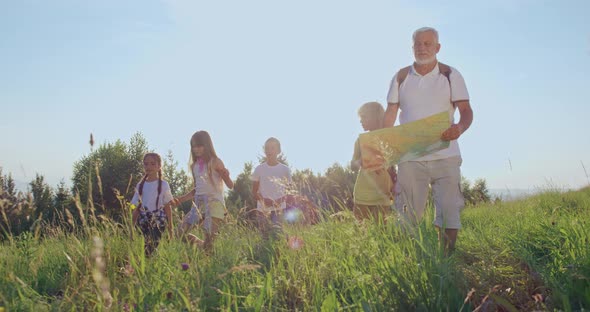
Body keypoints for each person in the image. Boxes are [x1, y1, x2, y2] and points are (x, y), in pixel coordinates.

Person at [384, 27, 473, 253]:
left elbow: (466, 111)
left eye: (427, 44)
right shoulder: (401, 76)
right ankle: (409, 261)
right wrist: (386, 149)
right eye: (418, 44)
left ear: (438, 47)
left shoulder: (451, 75)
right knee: (407, 215)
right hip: (410, 158)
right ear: (412, 47)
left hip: (447, 155)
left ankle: (447, 260)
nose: (422, 48)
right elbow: (390, 115)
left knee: (449, 211)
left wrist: (459, 128)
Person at [171, 131, 234, 250]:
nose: (196, 149)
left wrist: (226, 176)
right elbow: (197, 188)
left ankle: (206, 249)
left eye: (199, 146)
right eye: (193, 146)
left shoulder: (215, 161)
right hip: (198, 204)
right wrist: (181, 199)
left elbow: (230, 185)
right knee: (179, 233)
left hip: (215, 204)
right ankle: (201, 245)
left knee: (210, 239)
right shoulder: (194, 166)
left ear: (207, 145)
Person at [351, 102, 395, 222]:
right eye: (360, 118)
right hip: (363, 195)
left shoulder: (388, 139)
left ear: (376, 117)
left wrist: (394, 185)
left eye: (364, 117)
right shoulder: (360, 140)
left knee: (381, 233)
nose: (361, 121)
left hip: (383, 194)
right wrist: (361, 161)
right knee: (361, 232)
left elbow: (392, 166)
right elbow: (352, 165)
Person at [131, 152, 174, 256]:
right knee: (147, 244)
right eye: (146, 164)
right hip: (144, 220)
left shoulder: (163, 185)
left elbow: (168, 206)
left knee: (152, 243)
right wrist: (131, 227)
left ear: (159, 166)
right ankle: (149, 262)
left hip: (159, 219)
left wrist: (170, 228)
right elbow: (136, 208)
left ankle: (146, 260)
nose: (149, 166)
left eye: (152, 164)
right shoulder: (140, 185)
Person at [250, 137, 292, 236]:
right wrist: (264, 200)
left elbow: (289, 192)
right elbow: (254, 192)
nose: (269, 151)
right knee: (264, 237)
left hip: (279, 209)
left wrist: (278, 201)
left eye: (272, 148)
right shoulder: (259, 169)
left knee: (277, 237)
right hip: (262, 210)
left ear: (279, 151)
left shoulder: (285, 169)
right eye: (267, 148)